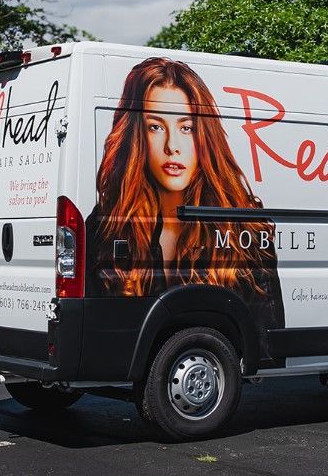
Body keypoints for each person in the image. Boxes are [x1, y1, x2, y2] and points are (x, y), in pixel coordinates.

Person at [87, 57, 284, 334]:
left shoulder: (243, 225)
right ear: (136, 135)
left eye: (186, 127)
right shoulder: (105, 228)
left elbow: (268, 337)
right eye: (155, 126)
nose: (172, 146)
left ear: (204, 135)